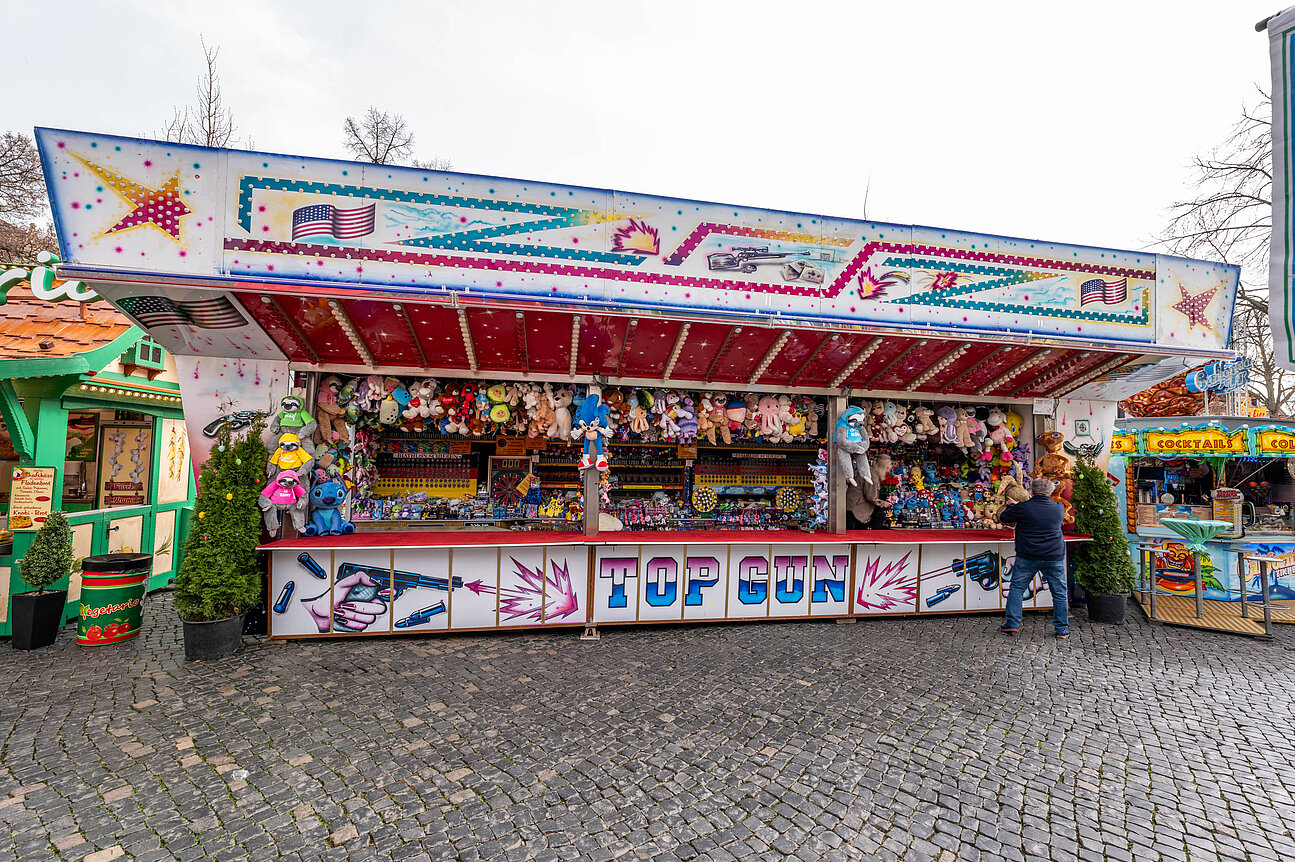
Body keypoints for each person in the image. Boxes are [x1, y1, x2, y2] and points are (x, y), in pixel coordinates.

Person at [998, 477, 1069, 639]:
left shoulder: (1024, 508)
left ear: (1032, 491)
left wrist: (1013, 506)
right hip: (1053, 555)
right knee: (1059, 592)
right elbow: (1039, 513)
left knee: (1016, 588)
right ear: (1050, 492)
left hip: (1028, 555)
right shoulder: (1058, 508)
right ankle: (1061, 629)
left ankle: (1012, 623)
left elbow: (1005, 517)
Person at [845, 453, 893, 530]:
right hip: (855, 508)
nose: (891, 466)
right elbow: (871, 497)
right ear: (884, 465)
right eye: (890, 464)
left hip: (854, 507)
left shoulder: (871, 473)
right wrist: (883, 503)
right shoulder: (872, 476)